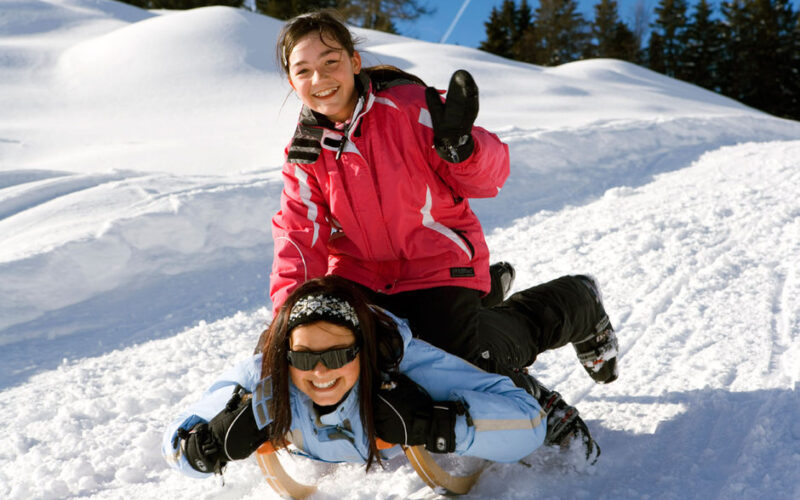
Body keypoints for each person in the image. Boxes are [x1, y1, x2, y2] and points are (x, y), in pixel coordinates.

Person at [267, 9, 619, 393]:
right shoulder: (305, 152)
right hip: (361, 278)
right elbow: (298, 237)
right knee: (349, 360)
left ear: (354, 62)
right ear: (292, 81)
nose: (319, 79)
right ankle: (478, 305)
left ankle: (574, 302)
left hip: (437, 266)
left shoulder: (411, 107)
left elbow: (492, 177)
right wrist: (290, 316)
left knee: (460, 369)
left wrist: (466, 150)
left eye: (330, 62)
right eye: (303, 71)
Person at [162, 276, 596, 479]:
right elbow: (177, 440)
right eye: (304, 356)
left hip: (435, 322)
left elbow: (526, 424)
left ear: (362, 352)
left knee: (493, 346)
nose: (319, 371)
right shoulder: (267, 377)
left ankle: (578, 297)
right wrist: (207, 445)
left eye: (337, 355)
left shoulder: (414, 368)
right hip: (366, 287)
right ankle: (480, 295)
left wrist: (435, 423)